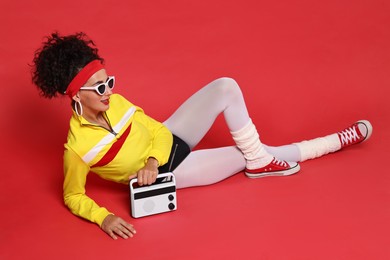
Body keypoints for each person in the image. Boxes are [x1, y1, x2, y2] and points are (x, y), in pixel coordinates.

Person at [31, 32, 372, 240]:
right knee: (246, 153)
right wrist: (103, 217)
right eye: (100, 87)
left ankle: (260, 160)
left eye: (110, 82)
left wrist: (150, 157)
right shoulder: (77, 149)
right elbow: (73, 195)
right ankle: (332, 142)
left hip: (169, 141)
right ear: (76, 95)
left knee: (226, 85)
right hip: (172, 173)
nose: (109, 92)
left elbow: (154, 129)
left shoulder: (117, 103)